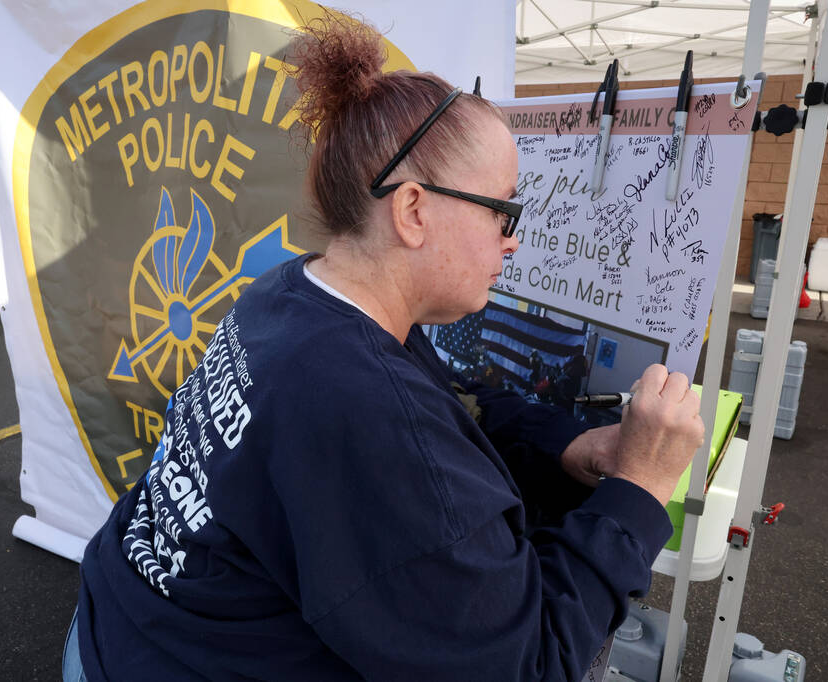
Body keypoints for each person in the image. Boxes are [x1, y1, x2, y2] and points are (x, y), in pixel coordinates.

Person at [65, 12, 703, 682]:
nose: (512, 240)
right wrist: (639, 487)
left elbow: (451, 398)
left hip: (123, 624)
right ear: (414, 211)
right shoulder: (357, 402)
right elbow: (526, 663)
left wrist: (568, 447)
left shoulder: (293, 292)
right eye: (503, 212)